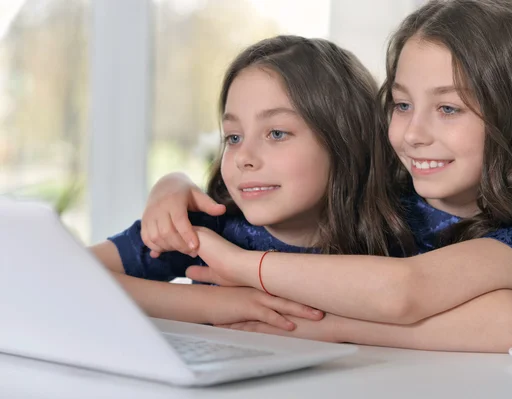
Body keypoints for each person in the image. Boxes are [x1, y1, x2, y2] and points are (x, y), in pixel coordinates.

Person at [142, 0, 512, 352]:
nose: (413, 134)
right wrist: (175, 183)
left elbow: (495, 318)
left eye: (448, 108)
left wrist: (252, 276)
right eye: (401, 104)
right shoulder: (381, 201)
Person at [90, 35, 415, 331]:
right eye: (233, 137)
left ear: (346, 140)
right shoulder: (205, 230)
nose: (243, 157)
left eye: (276, 133)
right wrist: (213, 305)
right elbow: (69, 274)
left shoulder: (401, 231)